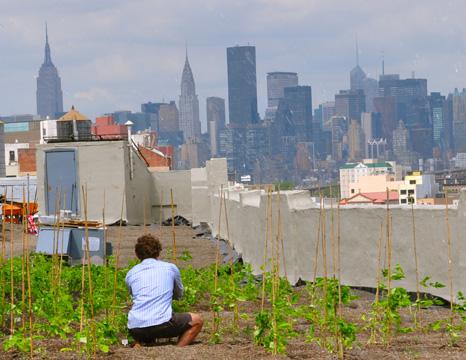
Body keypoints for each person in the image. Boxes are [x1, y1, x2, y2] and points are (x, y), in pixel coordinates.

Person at [125, 234, 203, 346]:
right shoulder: (170, 268)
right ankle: (178, 349)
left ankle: (139, 342)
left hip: (135, 328)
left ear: (137, 254)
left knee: (146, 329)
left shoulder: (130, 273)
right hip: (163, 324)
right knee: (197, 320)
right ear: (158, 252)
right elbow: (179, 295)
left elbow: (134, 297)